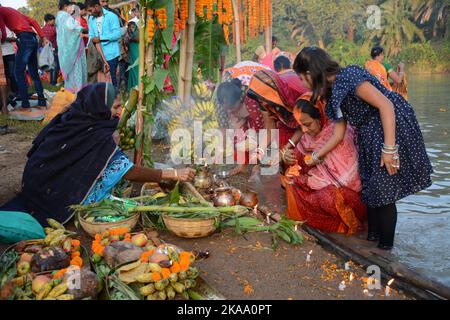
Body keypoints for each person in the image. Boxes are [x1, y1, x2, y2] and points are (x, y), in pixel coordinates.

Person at [293, 47, 433, 250]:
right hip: (368, 132)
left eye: (301, 78)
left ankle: (386, 251)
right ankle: (372, 242)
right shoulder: (331, 93)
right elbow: (338, 134)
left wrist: (389, 149)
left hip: (388, 126)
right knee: (370, 189)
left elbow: (386, 105)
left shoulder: (349, 75)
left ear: (309, 73)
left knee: (384, 191)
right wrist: (314, 156)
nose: (302, 83)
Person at [0, 83, 196, 225]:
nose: (120, 112)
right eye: (116, 107)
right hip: (51, 194)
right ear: (100, 107)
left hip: (37, 183)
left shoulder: (76, 118)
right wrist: (173, 174)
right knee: (120, 208)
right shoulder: (95, 134)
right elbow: (128, 172)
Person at [281, 93, 367, 234]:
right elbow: (300, 164)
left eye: (307, 124)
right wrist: (288, 158)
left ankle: (347, 225)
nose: (304, 130)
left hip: (351, 195)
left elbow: (347, 179)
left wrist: (307, 180)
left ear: (320, 116)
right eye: (301, 125)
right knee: (290, 179)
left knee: (330, 197)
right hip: (322, 183)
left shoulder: (340, 133)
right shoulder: (308, 136)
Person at [247, 69, 309, 157]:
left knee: (300, 153)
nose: (263, 103)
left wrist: (284, 150)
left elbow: (305, 126)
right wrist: (259, 151)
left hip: (310, 124)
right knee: (281, 140)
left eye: (263, 99)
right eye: (260, 100)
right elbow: (270, 129)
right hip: (292, 125)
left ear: (272, 93)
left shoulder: (294, 92)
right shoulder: (262, 100)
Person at [0, 6, 48, 109]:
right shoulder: (11, 10)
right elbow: (33, 21)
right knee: (33, 72)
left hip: (24, 38)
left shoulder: (0, 12)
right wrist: (42, 36)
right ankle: (42, 101)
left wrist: (4, 38)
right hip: (33, 38)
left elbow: (3, 33)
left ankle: (25, 103)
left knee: (18, 72)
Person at [216, 78, 265, 177]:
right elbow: (223, 130)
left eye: (233, 107)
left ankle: (259, 163)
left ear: (240, 100)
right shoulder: (220, 106)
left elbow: (261, 130)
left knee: (251, 141)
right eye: (227, 109)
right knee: (237, 136)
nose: (230, 111)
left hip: (256, 124)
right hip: (241, 121)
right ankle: (242, 165)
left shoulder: (251, 100)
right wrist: (221, 150)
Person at [86, 0, 122, 88]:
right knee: (100, 80)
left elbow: (117, 34)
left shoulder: (112, 16)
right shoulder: (91, 19)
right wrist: (89, 46)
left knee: (112, 80)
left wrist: (100, 39)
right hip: (97, 55)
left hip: (111, 54)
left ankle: (115, 99)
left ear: (97, 6)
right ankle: (102, 99)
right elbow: (91, 35)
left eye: (90, 10)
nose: (90, 13)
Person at [56, 0, 88, 94]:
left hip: (64, 50)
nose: (72, 9)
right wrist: (84, 29)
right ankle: (78, 93)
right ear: (66, 6)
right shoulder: (66, 16)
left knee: (69, 75)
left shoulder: (58, 17)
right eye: (71, 7)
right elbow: (73, 27)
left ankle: (70, 94)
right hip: (73, 50)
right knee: (76, 71)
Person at [1, 26, 16, 114]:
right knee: (4, 76)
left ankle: (14, 93)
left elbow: (13, 38)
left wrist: (4, 38)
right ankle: (8, 96)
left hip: (9, 53)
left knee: (11, 74)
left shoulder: (5, 26)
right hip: (1, 54)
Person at [42, 14, 59, 86]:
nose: (54, 22)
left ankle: (51, 82)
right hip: (53, 49)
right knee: (56, 66)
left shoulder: (42, 29)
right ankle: (53, 82)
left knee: (51, 67)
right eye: (53, 20)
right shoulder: (53, 28)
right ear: (49, 20)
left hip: (46, 50)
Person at [125, 21, 139, 91]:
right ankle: (133, 86)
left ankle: (137, 85)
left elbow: (137, 39)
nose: (131, 29)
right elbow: (127, 44)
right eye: (130, 27)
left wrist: (130, 39)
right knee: (132, 68)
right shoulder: (128, 34)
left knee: (136, 68)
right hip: (132, 54)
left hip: (137, 53)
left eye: (133, 27)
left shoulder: (138, 32)